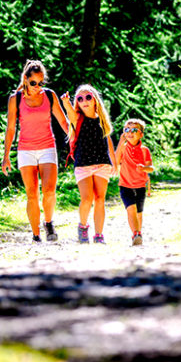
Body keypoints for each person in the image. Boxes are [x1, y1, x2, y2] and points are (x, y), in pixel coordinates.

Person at [2, 60, 69, 242]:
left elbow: (63, 122)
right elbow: (10, 129)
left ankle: (48, 223)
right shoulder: (15, 100)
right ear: (25, 79)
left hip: (47, 147)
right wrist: (6, 156)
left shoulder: (49, 96)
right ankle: (36, 234)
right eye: (33, 83)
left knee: (49, 191)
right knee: (32, 194)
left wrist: (76, 138)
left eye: (41, 83)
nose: (37, 87)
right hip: (26, 150)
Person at [61, 84, 117, 244]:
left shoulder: (101, 120)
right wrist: (65, 102)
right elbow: (69, 113)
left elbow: (108, 141)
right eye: (79, 98)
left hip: (102, 164)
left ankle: (99, 234)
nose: (84, 101)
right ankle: (83, 226)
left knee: (100, 199)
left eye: (88, 97)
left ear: (95, 100)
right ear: (76, 103)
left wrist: (113, 161)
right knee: (87, 198)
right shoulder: (77, 119)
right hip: (83, 164)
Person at [115, 118, 153, 246]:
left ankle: (138, 232)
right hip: (125, 185)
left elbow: (151, 168)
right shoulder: (123, 148)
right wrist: (120, 142)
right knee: (130, 209)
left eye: (134, 130)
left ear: (141, 134)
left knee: (139, 213)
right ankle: (136, 234)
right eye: (127, 129)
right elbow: (116, 160)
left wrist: (144, 168)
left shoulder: (144, 150)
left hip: (140, 186)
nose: (129, 132)